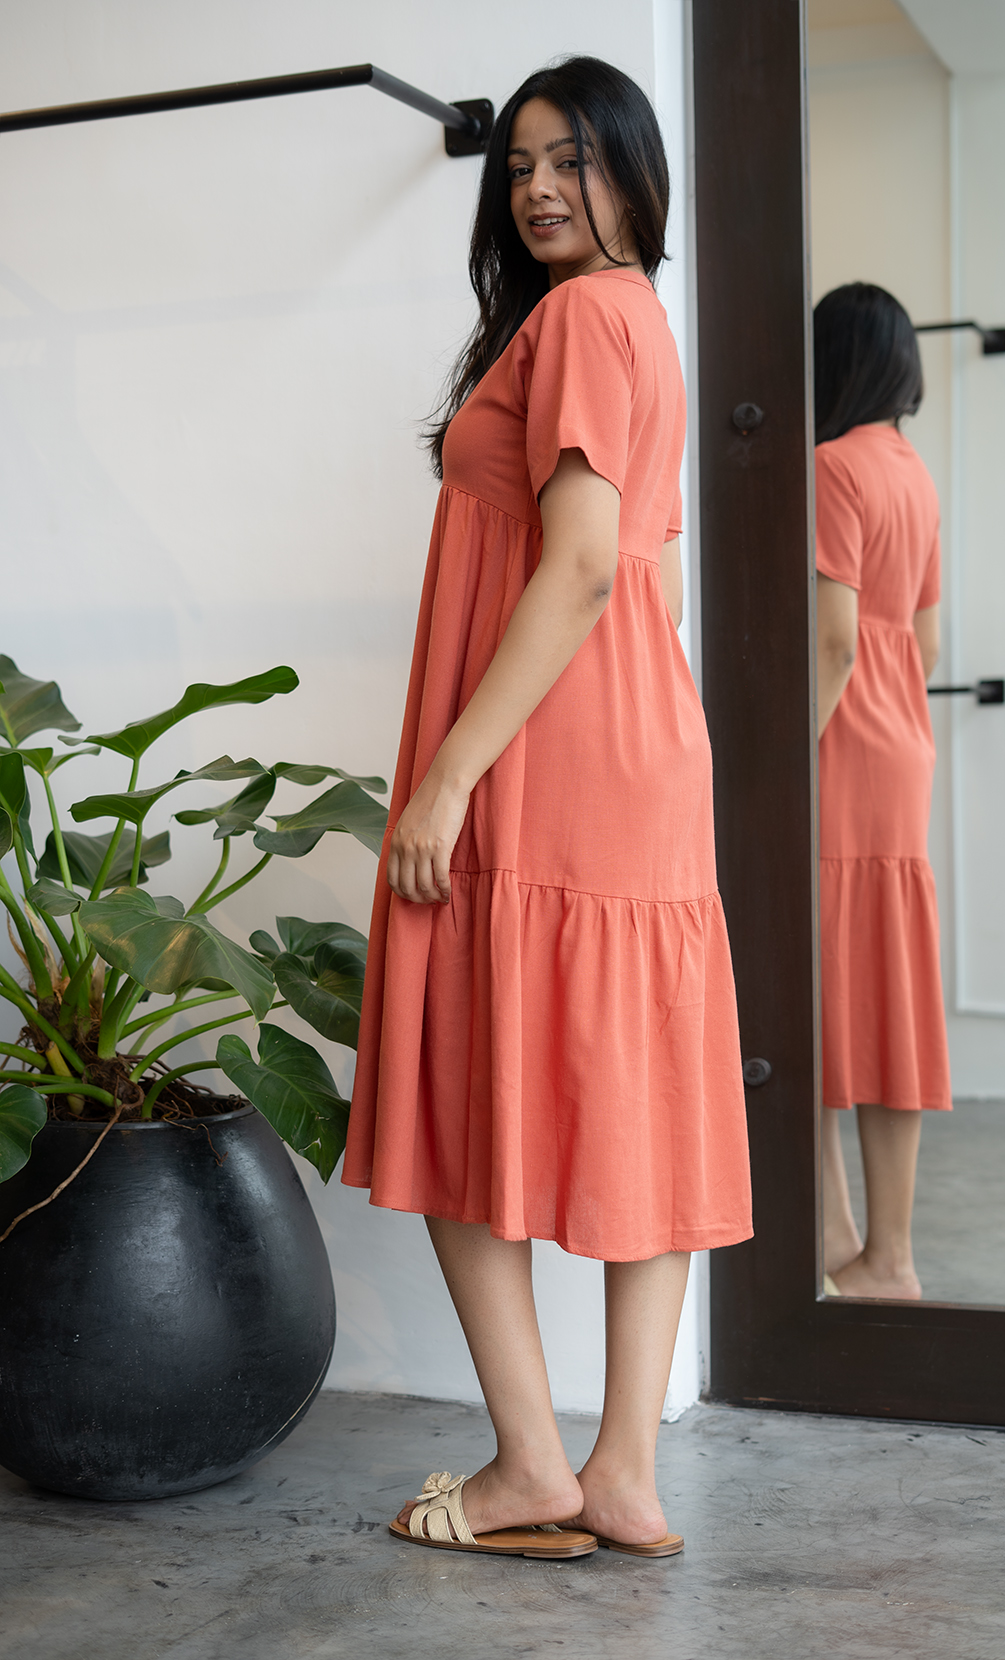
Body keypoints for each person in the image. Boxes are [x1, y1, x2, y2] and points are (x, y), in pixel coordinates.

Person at [341, 56, 751, 1559]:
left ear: (635, 171)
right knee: (646, 1094)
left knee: (457, 1076)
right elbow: (650, 582)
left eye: (572, 158)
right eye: (518, 165)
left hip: (545, 754)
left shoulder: (579, 318)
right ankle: (622, 1471)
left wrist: (451, 772)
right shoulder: (644, 325)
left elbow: (580, 566)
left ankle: (530, 1465)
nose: (536, 187)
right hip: (641, 747)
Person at [814, 282, 952, 1302]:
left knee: (820, 992)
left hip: (842, 751)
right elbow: (926, 641)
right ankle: (859, 1245)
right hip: (904, 748)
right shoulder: (912, 471)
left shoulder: (831, 467)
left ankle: (873, 1255)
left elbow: (833, 641)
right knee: (884, 998)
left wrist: (780, 759)